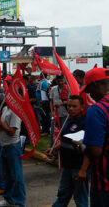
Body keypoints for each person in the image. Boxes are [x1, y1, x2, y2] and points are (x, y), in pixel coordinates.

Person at [45, 95, 90, 207]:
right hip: (67, 166)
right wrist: (54, 148)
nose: (70, 108)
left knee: (80, 199)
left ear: (82, 108)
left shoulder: (86, 123)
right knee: (62, 195)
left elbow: (89, 149)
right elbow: (66, 140)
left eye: (74, 106)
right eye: (69, 106)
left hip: (78, 167)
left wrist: (83, 170)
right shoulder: (67, 120)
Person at [81, 68, 109, 205]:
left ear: (96, 85)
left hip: (104, 184)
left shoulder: (97, 110)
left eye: (89, 90)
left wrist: (81, 145)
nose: (89, 95)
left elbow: (95, 151)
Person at [0, 105, 26, 207]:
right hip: (4, 146)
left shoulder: (15, 111)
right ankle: (8, 199)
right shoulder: (4, 109)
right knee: (7, 175)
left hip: (12, 146)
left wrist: (0, 121)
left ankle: (19, 202)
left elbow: (12, 131)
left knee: (16, 176)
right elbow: (0, 129)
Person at [49, 75, 68, 145]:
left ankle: (62, 146)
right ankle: (52, 147)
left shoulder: (68, 88)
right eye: (58, 81)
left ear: (64, 80)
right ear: (56, 80)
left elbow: (70, 101)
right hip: (55, 114)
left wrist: (61, 104)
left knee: (63, 132)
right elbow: (51, 101)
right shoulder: (53, 89)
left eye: (61, 80)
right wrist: (51, 112)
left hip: (65, 114)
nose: (60, 82)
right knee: (53, 132)